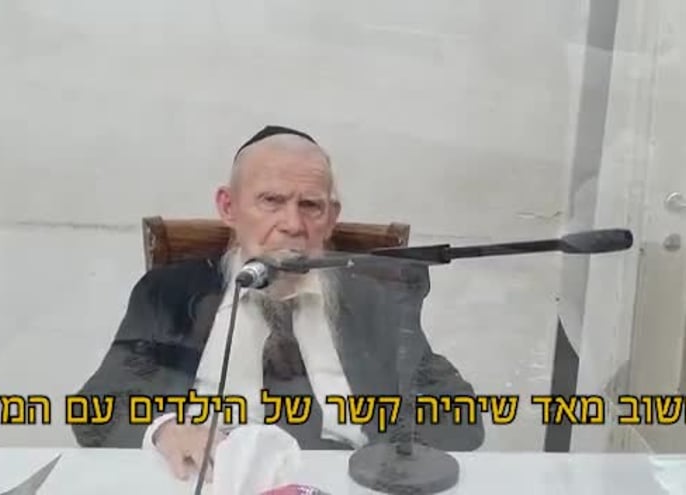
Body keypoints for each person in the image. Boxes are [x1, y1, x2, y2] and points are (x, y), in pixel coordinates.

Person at [72, 125, 484, 480]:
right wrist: (165, 429)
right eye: (271, 201)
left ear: (331, 217)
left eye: (311, 206)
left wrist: (390, 456)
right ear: (228, 207)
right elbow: (95, 410)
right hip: (210, 477)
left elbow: (461, 420)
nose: (292, 225)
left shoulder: (374, 300)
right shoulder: (170, 293)